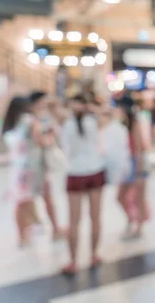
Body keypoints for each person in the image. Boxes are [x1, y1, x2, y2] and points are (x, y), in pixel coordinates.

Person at [61, 95, 107, 274]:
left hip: (75, 172)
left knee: (74, 220)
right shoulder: (93, 122)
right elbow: (107, 114)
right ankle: (94, 254)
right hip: (95, 170)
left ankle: (73, 261)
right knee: (95, 217)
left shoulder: (68, 125)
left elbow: (67, 150)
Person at [28, 91, 65, 240]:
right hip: (35, 165)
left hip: (37, 164)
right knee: (39, 197)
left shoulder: (40, 118)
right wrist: (49, 135)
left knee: (38, 197)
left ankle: (39, 227)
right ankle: (48, 228)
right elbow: (42, 140)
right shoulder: (32, 120)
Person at [2, 97, 37, 247]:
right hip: (25, 168)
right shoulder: (26, 122)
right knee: (23, 202)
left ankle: (24, 233)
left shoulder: (10, 126)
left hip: (18, 168)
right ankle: (25, 233)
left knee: (22, 202)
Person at [117, 96, 149, 238]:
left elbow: (140, 146)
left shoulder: (134, 123)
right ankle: (132, 219)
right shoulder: (121, 123)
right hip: (126, 161)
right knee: (121, 196)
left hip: (136, 162)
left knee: (139, 197)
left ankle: (139, 226)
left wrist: (139, 167)